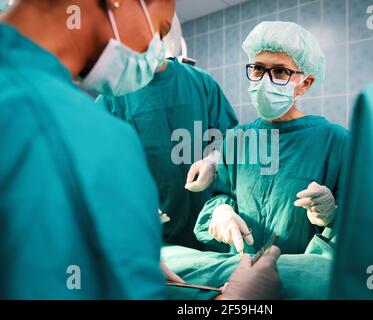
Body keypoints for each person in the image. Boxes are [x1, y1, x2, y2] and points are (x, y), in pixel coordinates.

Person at [0, 0, 280, 299]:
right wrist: (234, 304)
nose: (152, 45)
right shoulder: (76, 129)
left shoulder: (30, 103)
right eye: (157, 29)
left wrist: (215, 160)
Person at [194, 21, 349, 255]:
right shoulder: (236, 138)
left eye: (280, 71)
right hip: (239, 272)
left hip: (299, 278)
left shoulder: (336, 141)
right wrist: (221, 211)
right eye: (258, 68)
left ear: (304, 83)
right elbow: (223, 194)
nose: (265, 79)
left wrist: (332, 215)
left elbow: (362, 222)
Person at [96, 56, 238, 249]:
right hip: (149, 236)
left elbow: (230, 138)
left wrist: (213, 160)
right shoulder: (113, 97)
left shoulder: (201, 83)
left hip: (209, 227)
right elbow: (98, 164)